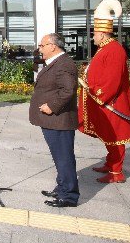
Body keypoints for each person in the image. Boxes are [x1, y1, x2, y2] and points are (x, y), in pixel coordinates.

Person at [79, 0, 130, 184]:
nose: (93, 36)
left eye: (95, 33)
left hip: (112, 102)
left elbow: (112, 79)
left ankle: (116, 173)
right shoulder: (105, 48)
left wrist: (100, 95)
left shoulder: (114, 50)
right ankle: (111, 164)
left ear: (103, 34)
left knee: (115, 137)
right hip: (106, 101)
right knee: (109, 136)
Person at [30, 33, 79, 208]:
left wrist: (52, 106)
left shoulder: (64, 64)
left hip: (59, 119)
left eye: (42, 46)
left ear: (53, 46)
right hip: (54, 121)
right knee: (60, 157)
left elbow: (68, 90)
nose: (39, 49)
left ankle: (69, 196)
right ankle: (62, 187)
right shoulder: (55, 62)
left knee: (64, 157)